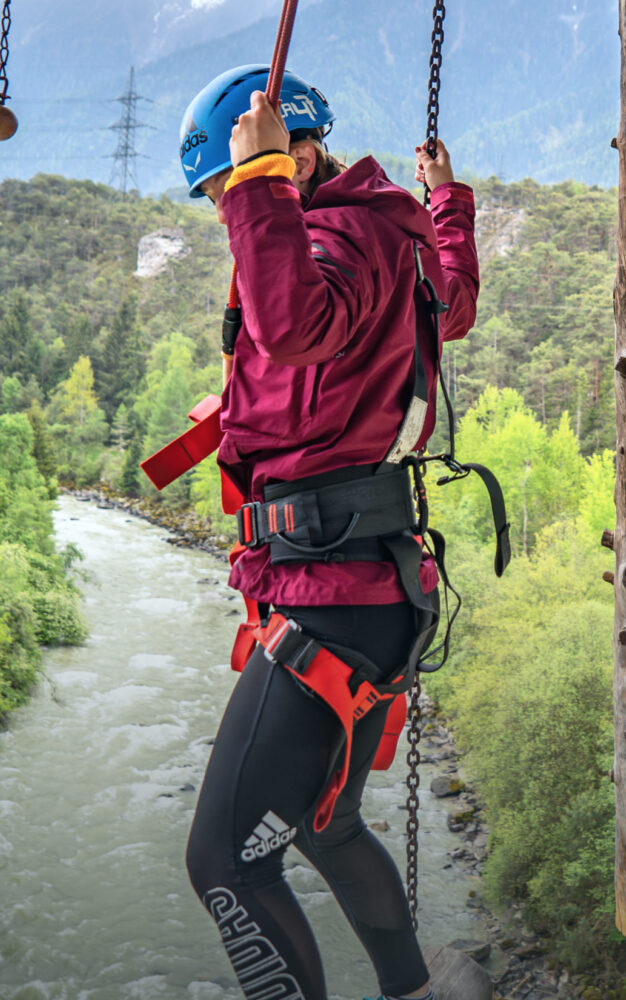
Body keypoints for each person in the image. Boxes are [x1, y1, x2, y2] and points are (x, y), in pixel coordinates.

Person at [176, 64, 479, 1000]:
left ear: (296, 161)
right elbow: (454, 302)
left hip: (334, 594)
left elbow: (296, 327)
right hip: (365, 585)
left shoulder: (337, 233)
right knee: (326, 825)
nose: (227, 210)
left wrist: (259, 188)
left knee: (223, 863)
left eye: (228, 188)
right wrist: (446, 201)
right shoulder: (388, 230)